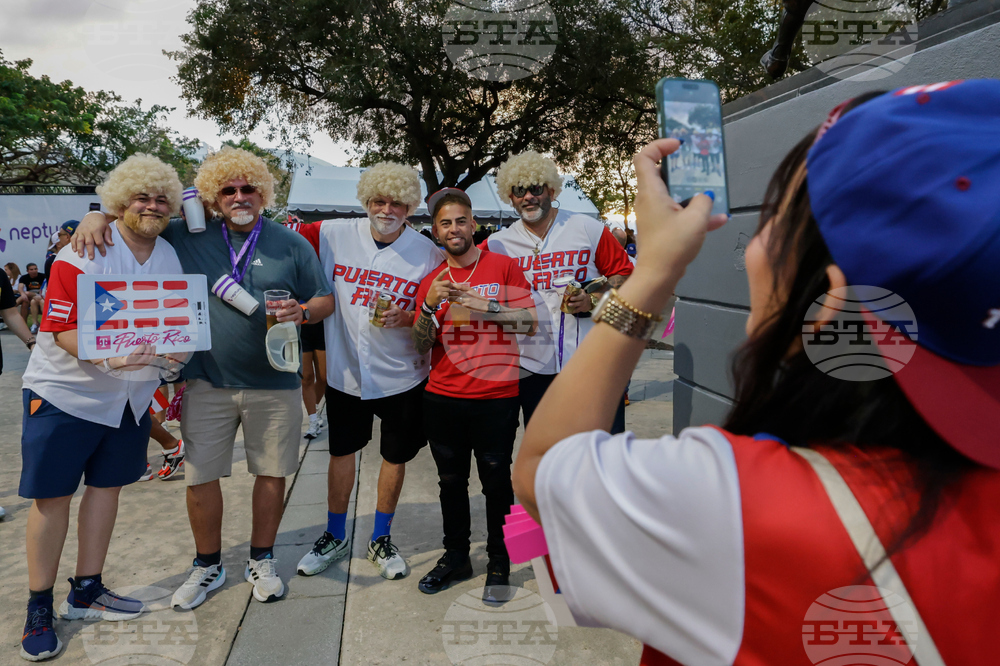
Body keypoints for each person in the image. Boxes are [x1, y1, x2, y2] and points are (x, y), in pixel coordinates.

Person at [512, 81, 1000, 664]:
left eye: (776, 218)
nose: (754, 244)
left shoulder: (734, 505)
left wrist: (655, 271)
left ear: (827, 308)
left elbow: (542, 469)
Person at [73, 146, 335, 610]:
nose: (239, 196)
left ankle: (262, 559)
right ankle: (208, 564)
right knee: (200, 477)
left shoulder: (291, 242)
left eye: (248, 188)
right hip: (205, 381)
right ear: (213, 197)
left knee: (271, 473)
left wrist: (304, 311)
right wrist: (96, 216)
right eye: (228, 190)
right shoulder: (186, 234)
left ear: (263, 193)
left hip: (275, 381)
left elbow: (324, 299)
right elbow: (138, 220)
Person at [19, 154, 186, 662]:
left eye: (161, 198)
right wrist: (111, 356)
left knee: (107, 489)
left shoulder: (169, 255)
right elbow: (59, 329)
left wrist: (176, 354)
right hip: (65, 393)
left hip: (130, 399)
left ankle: (86, 589)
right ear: (118, 201)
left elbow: (173, 323)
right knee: (52, 498)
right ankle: (38, 605)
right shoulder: (83, 249)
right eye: (141, 197)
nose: (152, 206)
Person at [290, 161, 443, 581]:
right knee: (341, 453)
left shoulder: (428, 253)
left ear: (410, 207)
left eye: (398, 203)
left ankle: (380, 538)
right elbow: (277, 237)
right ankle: (335, 535)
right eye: (379, 200)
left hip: (403, 375)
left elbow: (437, 316)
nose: (387, 209)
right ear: (366, 201)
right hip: (346, 374)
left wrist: (408, 316)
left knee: (394, 457)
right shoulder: (332, 234)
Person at [411, 189, 537, 603]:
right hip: (443, 396)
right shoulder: (431, 282)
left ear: (473, 225)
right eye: (445, 223)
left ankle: (499, 562)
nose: (454, 229)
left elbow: (529, 323)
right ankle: (456, 557)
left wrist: (488, 305)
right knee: (450, 482)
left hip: (496, 396)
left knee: (496, 482)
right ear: (436, 231)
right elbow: (420, 344)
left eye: (461, 220)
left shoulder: (502, 266)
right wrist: (428, 308)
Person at [485, 151, 634, 432]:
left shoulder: (587, 228)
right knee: (547, 447)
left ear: (551, 190)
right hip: (533, 366)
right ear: (510, 196)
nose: (528, 197)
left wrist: (593, 299)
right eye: (519, 190)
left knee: (603, 444)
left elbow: (625, 274)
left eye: (536, 188)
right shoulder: (497, 244)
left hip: (593, 359)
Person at [300, 318, 326, 440]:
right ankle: (313, 421)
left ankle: (314, 405)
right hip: (300, 328)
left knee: (324, 377)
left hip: (322, 324)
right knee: (307, 378)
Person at [17, 263, 45, 333]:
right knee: (27, 299)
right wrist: (22, 293)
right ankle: (33, 324)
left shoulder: (43, 276)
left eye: (35, 269)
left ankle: (12, 306)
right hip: (31, 295)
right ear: (28, 271)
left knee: (33, 299)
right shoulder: (24, 278)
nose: (34, 271)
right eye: (31, 269)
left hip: (40, 294)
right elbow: (20, 287)